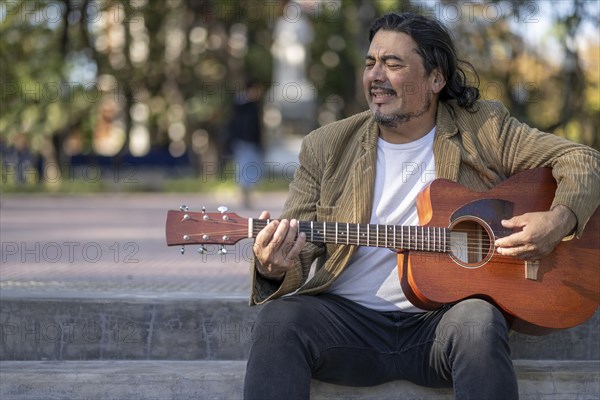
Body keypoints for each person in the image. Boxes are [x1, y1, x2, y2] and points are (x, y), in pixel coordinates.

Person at [243, 12, 600, 400]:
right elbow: (297, 244)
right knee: (278, 321)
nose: (375, 75)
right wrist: (272, 265)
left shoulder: (482, 128)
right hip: (347, 327)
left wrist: (559, 220)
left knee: (479, 320)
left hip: (442, 325)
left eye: (392, 63)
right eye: (370, 63)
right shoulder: (326, 145)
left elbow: (584, 160)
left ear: (435, 79)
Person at [224, 80, 264, 208]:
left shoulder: (252, 106)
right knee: (243, 169)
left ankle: (247, 195)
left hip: (251, 143)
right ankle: (243, 196)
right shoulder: (242, 106)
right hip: (242, 142)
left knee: (251, 170)